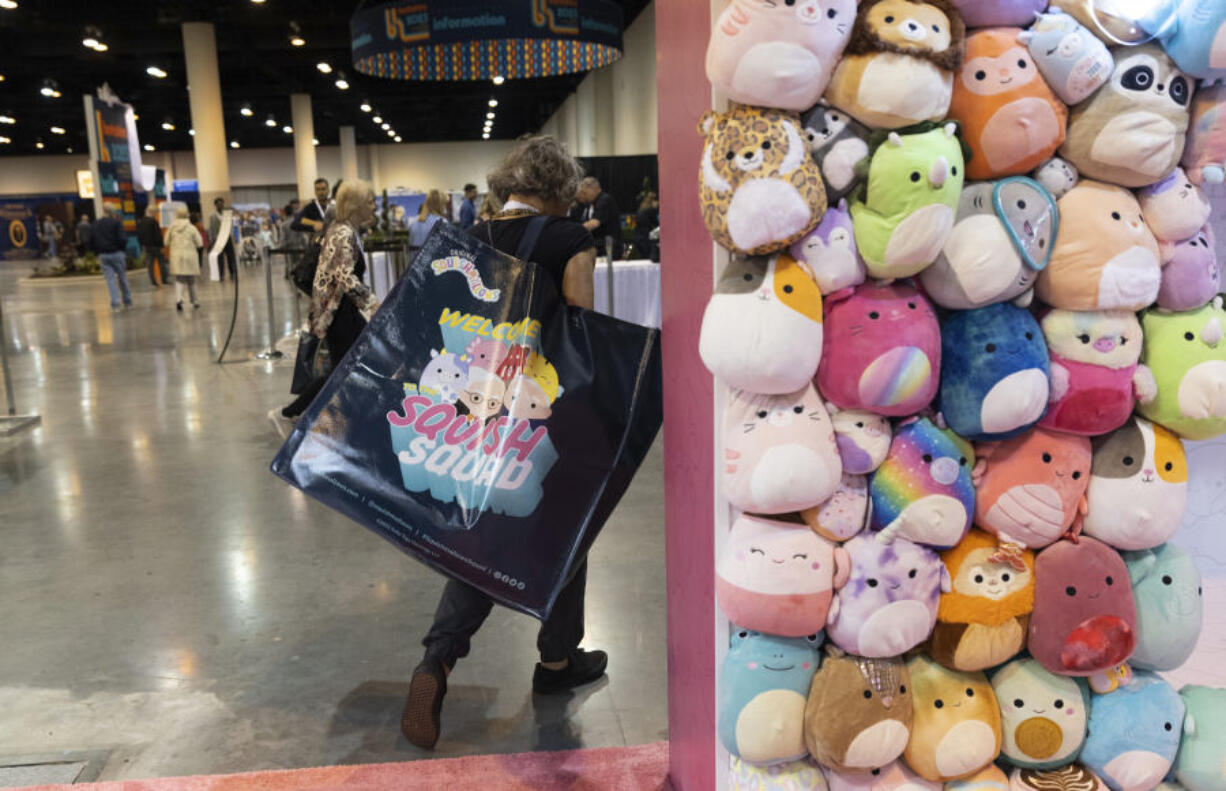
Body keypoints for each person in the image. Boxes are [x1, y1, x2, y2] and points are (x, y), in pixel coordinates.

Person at [402, 135, 599, 751]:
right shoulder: (570, 240)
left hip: (467, 412)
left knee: (483, 533)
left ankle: (438, 659)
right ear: (561, 189)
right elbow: (581, 332)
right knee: (565, 524)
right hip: (535, 411)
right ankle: (557, 663)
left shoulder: (468, 237)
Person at [269, 179, 380, 435]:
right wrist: (373, 303)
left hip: (343, 310)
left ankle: (337, 411)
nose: (374, 207)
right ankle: (291, 412)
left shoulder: (345, 229)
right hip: (339, 312)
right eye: (370, 202)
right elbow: (345, 277)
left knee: (347, 365)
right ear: (355, 205)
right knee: (341, 369)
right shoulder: (343, 233)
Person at [92, 206, 132, 310]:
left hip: (103, 254)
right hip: (116, 253)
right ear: (112, 212)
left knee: (110, 279)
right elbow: (123, 239)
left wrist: (97, 251)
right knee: (122, 277)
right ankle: (127, 300)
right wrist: (121, 249)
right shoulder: (116, 223)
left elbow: (92, 239)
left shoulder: (96, 224)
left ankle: (115, 301)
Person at [570, 177, 621, 258]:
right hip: (601, 246)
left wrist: (573, 231)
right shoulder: (592, 204)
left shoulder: (604, 200)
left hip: (609, 248)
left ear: (592, 189)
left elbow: (594, 223)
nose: (584, 196)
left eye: (584, 193)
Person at [165, 206, 203, 312]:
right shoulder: (191, 227)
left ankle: (178, 300)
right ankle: (195, 301)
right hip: (189, 255)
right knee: (191, 279)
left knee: (179, 279)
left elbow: (166, 242)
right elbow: (200, 243)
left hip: (177, 256)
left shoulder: (171, 228)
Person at [407, 190, 449, 255]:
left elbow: (410, 243)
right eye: (445, 204)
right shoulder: (442, 222)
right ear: (440, 205)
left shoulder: (413, 221)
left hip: (414, 261)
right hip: (433, 262)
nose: (446, 207)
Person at [208, 197, 238, 282]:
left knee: (231, 257)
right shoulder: (213, 216)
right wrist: (212, 239)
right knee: (220, 258)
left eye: (222, 203)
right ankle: (221, 275)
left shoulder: (227, 214)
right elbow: (211, 228)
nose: (221, 205)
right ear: (216, 205)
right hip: (218, 239)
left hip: (228, 238)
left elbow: (231, 226)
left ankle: (232, 273)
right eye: (219, 204)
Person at [137, 205, 167, 287]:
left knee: (150, 265)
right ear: (152, 212)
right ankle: (164, 279)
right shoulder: (153, 221)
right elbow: (158, 235)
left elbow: (139, 235)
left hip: (147, 247)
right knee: (161, 263)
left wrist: (142, 244)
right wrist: (161, 246)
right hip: (156, 246)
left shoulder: (141, 222)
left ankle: (153, 281)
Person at [631, 191, 660, 262]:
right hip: (644, 240)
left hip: (639, 238)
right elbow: (656, 223)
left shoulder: (643, 210)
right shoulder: (647, 211)